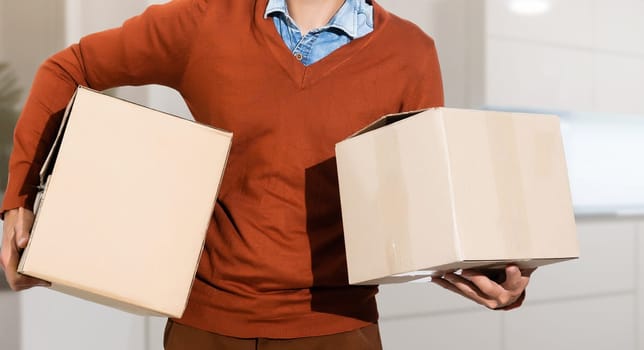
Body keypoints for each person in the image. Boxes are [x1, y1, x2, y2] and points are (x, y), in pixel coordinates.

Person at [0, 0, 532, 348]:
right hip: (204, 328)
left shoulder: (410, 54)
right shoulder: (207, 20)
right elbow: (68, 68)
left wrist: (493, 271)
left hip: (337, 332)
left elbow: (422, 209)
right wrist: (19, 200)